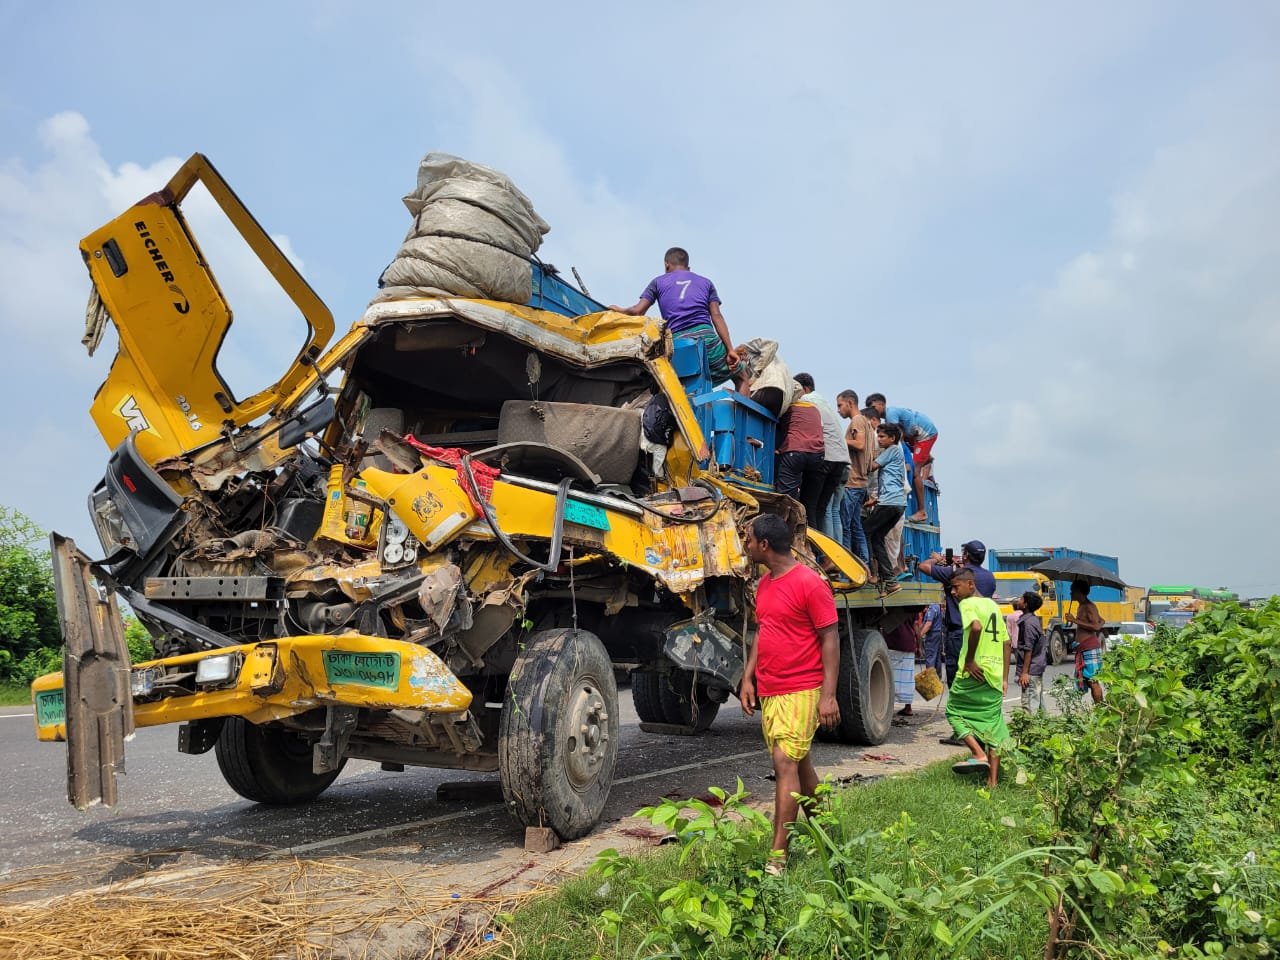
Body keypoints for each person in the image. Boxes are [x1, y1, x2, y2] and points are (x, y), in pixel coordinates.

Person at [738, 514, 840, 874]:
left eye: (749, 539)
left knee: (784, 764)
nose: (747, 545)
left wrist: (828, 696)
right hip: (771, 687)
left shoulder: (811, 584)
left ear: (764, 545)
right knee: (799, 763)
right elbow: (765, 631)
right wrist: (747, 677)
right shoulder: (764, 584)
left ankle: (777, 857)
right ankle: (827, 835)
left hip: (802, 686)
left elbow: (830, 639)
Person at [610, 247, 745, 389]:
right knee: (742, 376)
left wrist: (619, 310)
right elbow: (717, 316)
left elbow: (637, 311)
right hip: (707, 340)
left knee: (683, 385)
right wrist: (730, 349)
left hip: (678, 344)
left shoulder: (657, 282)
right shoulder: (706, 282)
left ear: (666, 265)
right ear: (688, 268)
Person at [944, 568, 1010, 788]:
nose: (953, 592)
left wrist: (970, 660)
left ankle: (977, 753)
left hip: (972, 672)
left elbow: (976, 627)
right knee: (994, 727)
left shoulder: (967, 604)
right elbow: (1006, 643)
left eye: (956, 587)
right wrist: (1005, 678)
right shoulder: (993, 605)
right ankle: (992, 781)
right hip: (993, 675)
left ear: (970, 584)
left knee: (953, 712)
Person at [918, 540, 996, 695]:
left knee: (956, 674)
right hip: (981, 633)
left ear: (966, 555)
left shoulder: (955, 574)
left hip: (958, 633)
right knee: (976, 671)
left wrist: (938, 559)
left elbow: (923, 566)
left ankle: (959, 707)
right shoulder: (989, 577)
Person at [794, 373, 851, 542]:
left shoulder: (806, 401)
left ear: (804, 389)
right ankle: (828, 557)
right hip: (841, 461)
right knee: (822, 508)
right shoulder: (822, 401)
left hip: (826, 458)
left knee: (808, 505)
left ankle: (813, 552)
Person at [865, 394, 938, 523]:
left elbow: (896, 441)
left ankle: (922, 511)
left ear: (882, 404)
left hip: (925, 435)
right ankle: (924, 457)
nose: (873, 410)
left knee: (915, 471)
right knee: (911, 462)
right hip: (913, 434)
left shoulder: (891, 414)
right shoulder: (891, 415)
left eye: (874, 407)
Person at [863, 422, 907, 594]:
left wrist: (861, 453)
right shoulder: (895, 453)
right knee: (877, 538)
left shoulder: (893, 450)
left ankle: (871, 571)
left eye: (881, 437)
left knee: (865, 530)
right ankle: (890, 582)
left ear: (892, 438)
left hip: (890, 503)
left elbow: (872, 466)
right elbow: (892, 481)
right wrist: (876, 500)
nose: (879, 439)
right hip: (895, 503)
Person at [775, 387, 827, 527]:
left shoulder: (787, 407)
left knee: (787, 501)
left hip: (795, 452)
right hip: (818, 455)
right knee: (810, 506)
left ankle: (784, 537)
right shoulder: (814, 408)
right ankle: (813, 544)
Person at [836, 390, 875, 562]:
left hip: (852, 482)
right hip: (862, 483)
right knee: (855, 525)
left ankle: (846, 565)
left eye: (840, 405)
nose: (838, 410)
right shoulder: (867, 423)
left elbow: (859, 444)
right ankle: (864, 563)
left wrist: (837, 439)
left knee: (845, 525)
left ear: (850, 403)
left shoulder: (857, 420)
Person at [1066, 580, 1106, 703]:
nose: (1070, 593)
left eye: (1073, 591)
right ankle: (1099, 706)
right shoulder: (1082, 606)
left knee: (1093, 681)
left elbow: (1096, 627)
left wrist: (1075, 620)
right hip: (1083, 648)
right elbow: (1102, 620)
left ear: (1079, 592)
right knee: (1087, 680)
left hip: (1090, 648)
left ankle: (1101, 708)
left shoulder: (1089, 606)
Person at [1015, 591, 1047, 713]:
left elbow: (1028, 649)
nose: (1019, 601)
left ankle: (1031, 730)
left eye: (1021, 599)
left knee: (1029, 703)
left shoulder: (1028, 624)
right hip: (1036, 667)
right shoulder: (1032, 620)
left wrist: (1024, 673)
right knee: (1038, 702)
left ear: (1025, 605)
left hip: (1031, 669)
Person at [885, 619, 919, 717]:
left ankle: (888, 706)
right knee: (907, 676)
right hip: (908, 643)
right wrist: (920, 647)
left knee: (890, 677)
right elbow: (916, 625)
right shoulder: (912, 607)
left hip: (892, 643)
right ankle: (908, 707)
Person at [918, 601, 945, 676]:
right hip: (937, 634)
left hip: (932, 635)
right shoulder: (937, 606)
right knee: (937, 658)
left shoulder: (932, 607)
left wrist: (920, 635)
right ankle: (937, 679)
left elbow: (928, 624)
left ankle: (930, 679)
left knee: (930, 657)